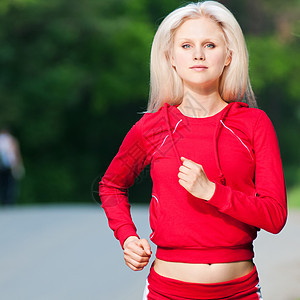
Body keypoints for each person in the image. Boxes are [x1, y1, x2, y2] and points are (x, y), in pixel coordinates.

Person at [99, 1, 287, 299]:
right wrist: (127, 237)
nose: (198, 54)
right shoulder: (153, 128)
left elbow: (275, 216)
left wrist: (211, 191)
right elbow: (111, 185)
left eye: (209, 44)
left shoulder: (253, 123)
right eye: (186, 45)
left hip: (239, 291)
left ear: (228, 56)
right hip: (168, 291)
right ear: (170, 57)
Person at [0, 128, 25, 206]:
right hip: (10, 165)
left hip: (2, 166)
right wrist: (19, 165)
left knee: (3, 184)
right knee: (10, 184)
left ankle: (4, 201)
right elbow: (16, 153)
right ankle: (8, 201)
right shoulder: (12, 140)